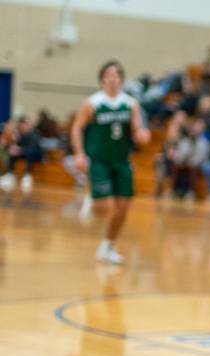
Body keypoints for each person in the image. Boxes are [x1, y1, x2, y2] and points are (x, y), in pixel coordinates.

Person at [71, 60, 150, 265]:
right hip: (99, 161)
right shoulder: (93, 103)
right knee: (103, 206)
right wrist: (79, 154)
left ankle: (108, 246)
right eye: (109, 75)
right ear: (102, 79)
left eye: (116, 75)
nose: (112, 78)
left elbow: (137, 129)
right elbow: (77, 128)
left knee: (123, 207)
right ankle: (92, 200)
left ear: (122, 80)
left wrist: (142, 135)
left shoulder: (131, 103)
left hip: (122, 161)